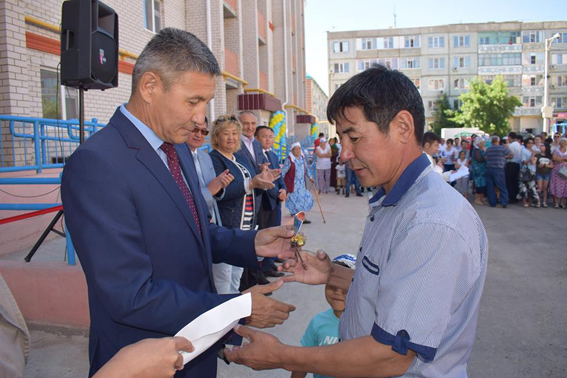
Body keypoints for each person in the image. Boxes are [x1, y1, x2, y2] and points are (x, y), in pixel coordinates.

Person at [225, 65, 488, 378]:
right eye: (341, 139)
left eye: (354, 136)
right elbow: (397, 286)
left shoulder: (432, 223)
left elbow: (391, 356)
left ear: (402, 127)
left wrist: (284, 355)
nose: (344, 154)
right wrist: (336, 275)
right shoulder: (393, 200)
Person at [61, 29, 297, 378]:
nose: (201, 118)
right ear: (150, 87)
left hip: (195, 350)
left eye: (206, 103)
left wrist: (251, 243)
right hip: (141, 357)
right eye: (193, 101)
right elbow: (131, 294)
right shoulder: (97, 164)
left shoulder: (178, 149)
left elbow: (193, 230)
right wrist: (238, 308)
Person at [209, 116, 282, 292]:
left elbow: (250, 187)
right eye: (226, 134)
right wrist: (251, 183)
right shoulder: (214, 159)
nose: (231, 138)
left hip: (245, 226)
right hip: (227, 227)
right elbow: (221, 192)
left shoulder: (238, 158)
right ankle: (225, 318)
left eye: (235, 133)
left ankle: (235, 317)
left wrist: (263, 181)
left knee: (236, 276)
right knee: (223, 278)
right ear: (216, 137)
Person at [290, 254, 357, 378]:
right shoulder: (318, 322)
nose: (337, 292)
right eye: (332, 286)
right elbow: (303, 360)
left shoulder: (367, 326)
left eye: (345, 289)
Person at [255, 125, 287, 278]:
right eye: (264, 136)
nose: (268, 139)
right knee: (265, 234)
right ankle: (261, 268)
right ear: (256, 138)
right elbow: (264, 180)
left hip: (276, 200)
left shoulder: (273, 155)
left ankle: (269, 264)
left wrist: (284, 190)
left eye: (270, 137)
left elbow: (279, 176)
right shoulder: (255, 156)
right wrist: (276, 193)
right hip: (264, 201)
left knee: (275, 232)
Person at [282, 143, 314, 223]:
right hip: (293, 185)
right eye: (295, 149)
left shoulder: (302, 158)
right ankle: (301, 218)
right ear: (292, 150)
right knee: (297, 202)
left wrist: (310, 177)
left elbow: (306, 169)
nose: (298, 150)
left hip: (301, 185)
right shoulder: (289, 160)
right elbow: (283, 172)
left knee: (305, 199)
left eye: (299, 149)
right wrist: (280, 183)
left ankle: (297, 215)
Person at [485, 135, 512, 208]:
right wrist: (507, 147)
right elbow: (510, 153)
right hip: (499, 169)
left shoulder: (488, 149)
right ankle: (504, 202)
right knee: (502, 186)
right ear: (498, 141)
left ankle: (492, 203)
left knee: (490, 187)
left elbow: (486, 157)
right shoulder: (502, 148)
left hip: (489, 168)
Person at [518, 137, 540, 208]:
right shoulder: (524, 151)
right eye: (529, 143)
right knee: (524, 186)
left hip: (532, 170)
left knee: (532, 186)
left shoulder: (534, 150)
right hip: (525, 170)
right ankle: (524, 201)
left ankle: (530, 201)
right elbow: (523, 162)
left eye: (532, 143)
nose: (531, 144)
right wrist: (531, 158)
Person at [505, 132, 522, 204]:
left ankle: (511, 196)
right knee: (515, 181)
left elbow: (510, 155)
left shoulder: (510, 145)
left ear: (510, 137)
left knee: (509, 182)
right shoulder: (518, 144)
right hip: (517, 164)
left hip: (511, 164)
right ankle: (515, 196)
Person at [550, 137, 567, 208]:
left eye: (564, 142)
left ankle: (562, 202)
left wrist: (559, 159)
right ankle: (556, 202)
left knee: (565, 187)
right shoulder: (556, 150)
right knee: (555, 185)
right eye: (562, 142)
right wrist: (564, 159)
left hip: (565, 171)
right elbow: (554, 158)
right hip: (556, 171)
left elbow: (557, 158)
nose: (563, 144)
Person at [535, 143, 554, 208]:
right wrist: (538, 165)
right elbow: (534, 163)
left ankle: (544, 202)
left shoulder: (549, 156)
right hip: (539, 173)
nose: (541, 147)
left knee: (545, 188)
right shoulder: (537, 155)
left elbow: (552, 165)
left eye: (543, 146)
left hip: (547, 173)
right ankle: (538, 201)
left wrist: (546, 165)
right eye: (540, 146)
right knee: (539, 188)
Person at [471, 137, 488, 206]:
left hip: (482, 170)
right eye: (482, 143)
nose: (484, 144)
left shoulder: (481, 149)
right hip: (478, 170)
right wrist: (485, 157)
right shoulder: (476, 150)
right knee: (479, 184)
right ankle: (477, 199)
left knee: (482, 184)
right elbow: (479, 159)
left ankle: (481, 198)